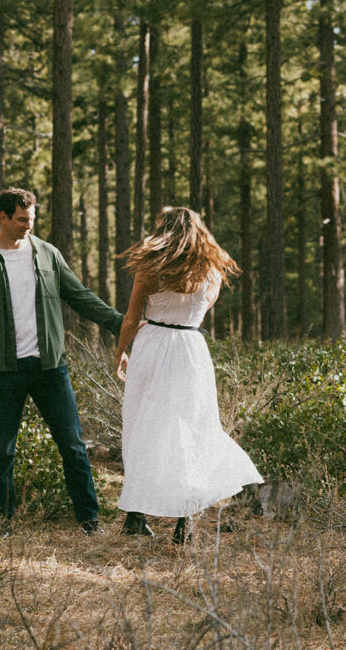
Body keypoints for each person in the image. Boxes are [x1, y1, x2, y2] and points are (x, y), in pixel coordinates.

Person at [0, 186, 125, 534]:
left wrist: (122, 323)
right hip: (3, 371)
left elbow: (80, 296)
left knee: (74, 446)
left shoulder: (47, 254)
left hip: (50, 368)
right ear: (2, 217)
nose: (27, 226)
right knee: (2, 451)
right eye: (20, 220)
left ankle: (90, 521)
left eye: (31, 219)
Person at [114, 206, 263, 542]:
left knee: (142, 427)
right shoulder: (210, 270)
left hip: (152, 345)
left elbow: (130, 317)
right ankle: (186, 522)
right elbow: (203, 308)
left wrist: (121, 352)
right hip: (189, 350)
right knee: (190, 430)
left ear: (163, 231)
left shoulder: (150, 267)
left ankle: (136, 517)